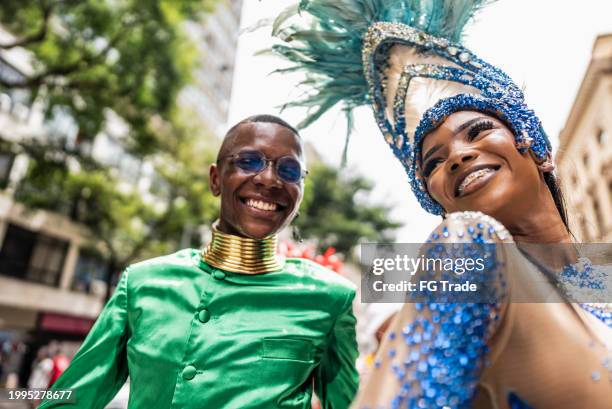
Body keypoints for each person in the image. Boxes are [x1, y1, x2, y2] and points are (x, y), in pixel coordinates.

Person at [272, 1, 612, 408]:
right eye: (433, 161)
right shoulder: (466, 257)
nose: (457, 156)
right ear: (439, 202)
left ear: (535, 147)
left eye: (479, 130)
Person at [39, 114, 359, 408]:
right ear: (216, 179)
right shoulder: (142, 283)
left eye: (289, 169)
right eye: (249, 161)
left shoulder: (331, 298)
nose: (269, 179)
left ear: (300, 193)